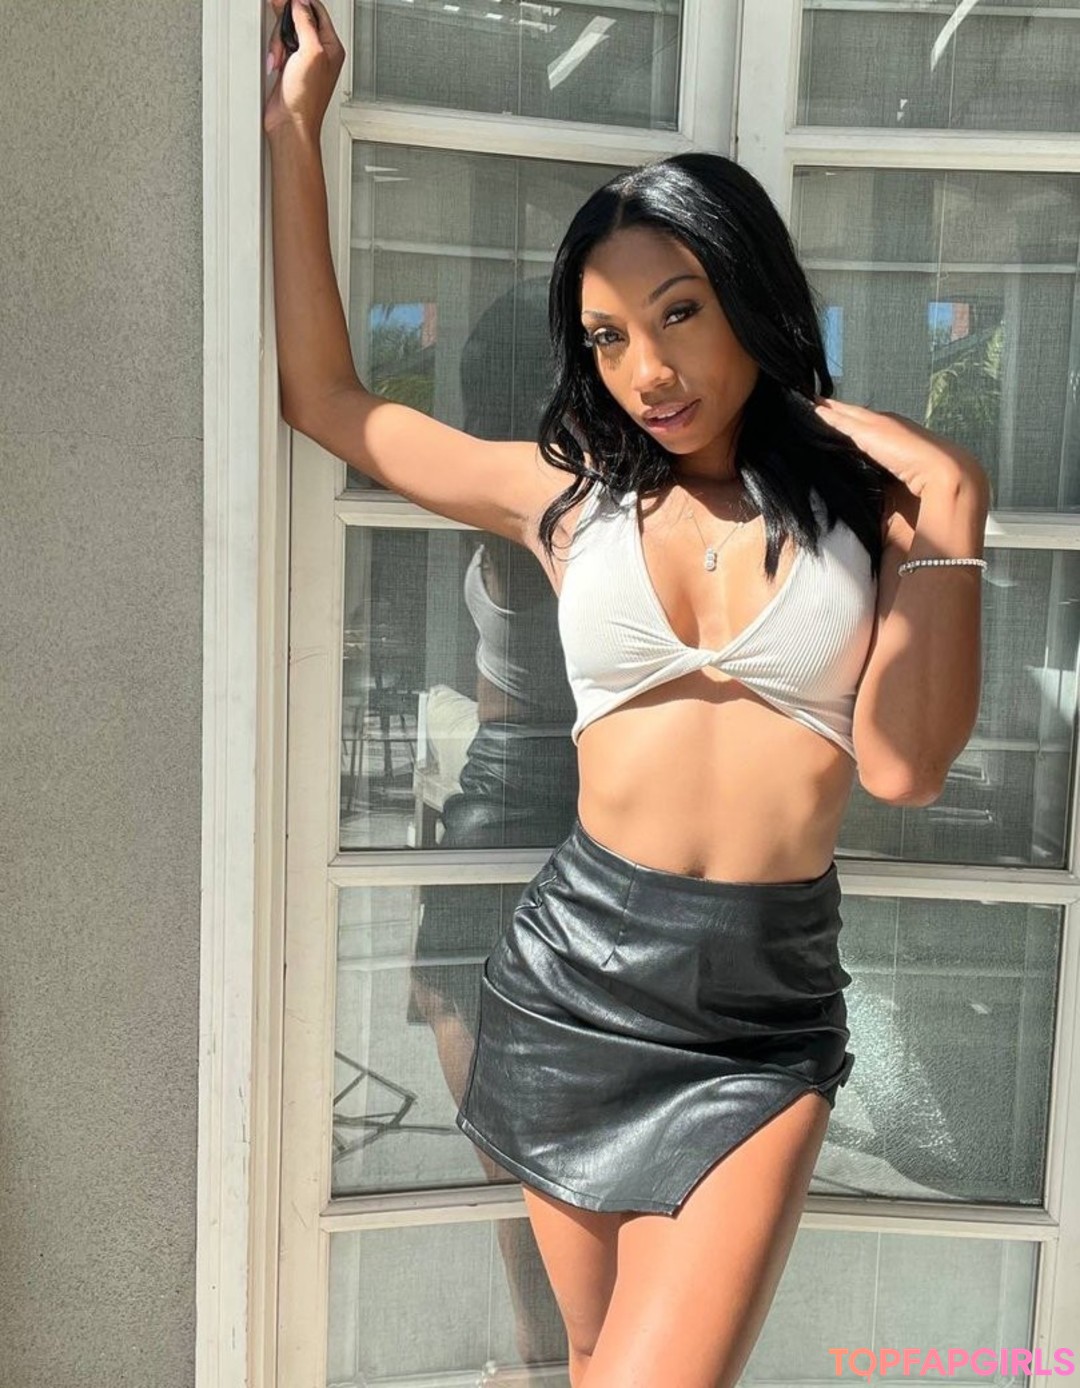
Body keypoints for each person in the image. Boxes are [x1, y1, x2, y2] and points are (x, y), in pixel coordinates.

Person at [264, 4, 991, 1384]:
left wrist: (951, 506)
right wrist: (294, 127)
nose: (647, 372)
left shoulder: (870, 514)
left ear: (750, 297)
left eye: (679, 314)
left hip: (763, 1019)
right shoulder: (568, 503)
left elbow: (903, 770)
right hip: (573, 983)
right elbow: (328, 401)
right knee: (593, 1358)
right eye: (606, 338)